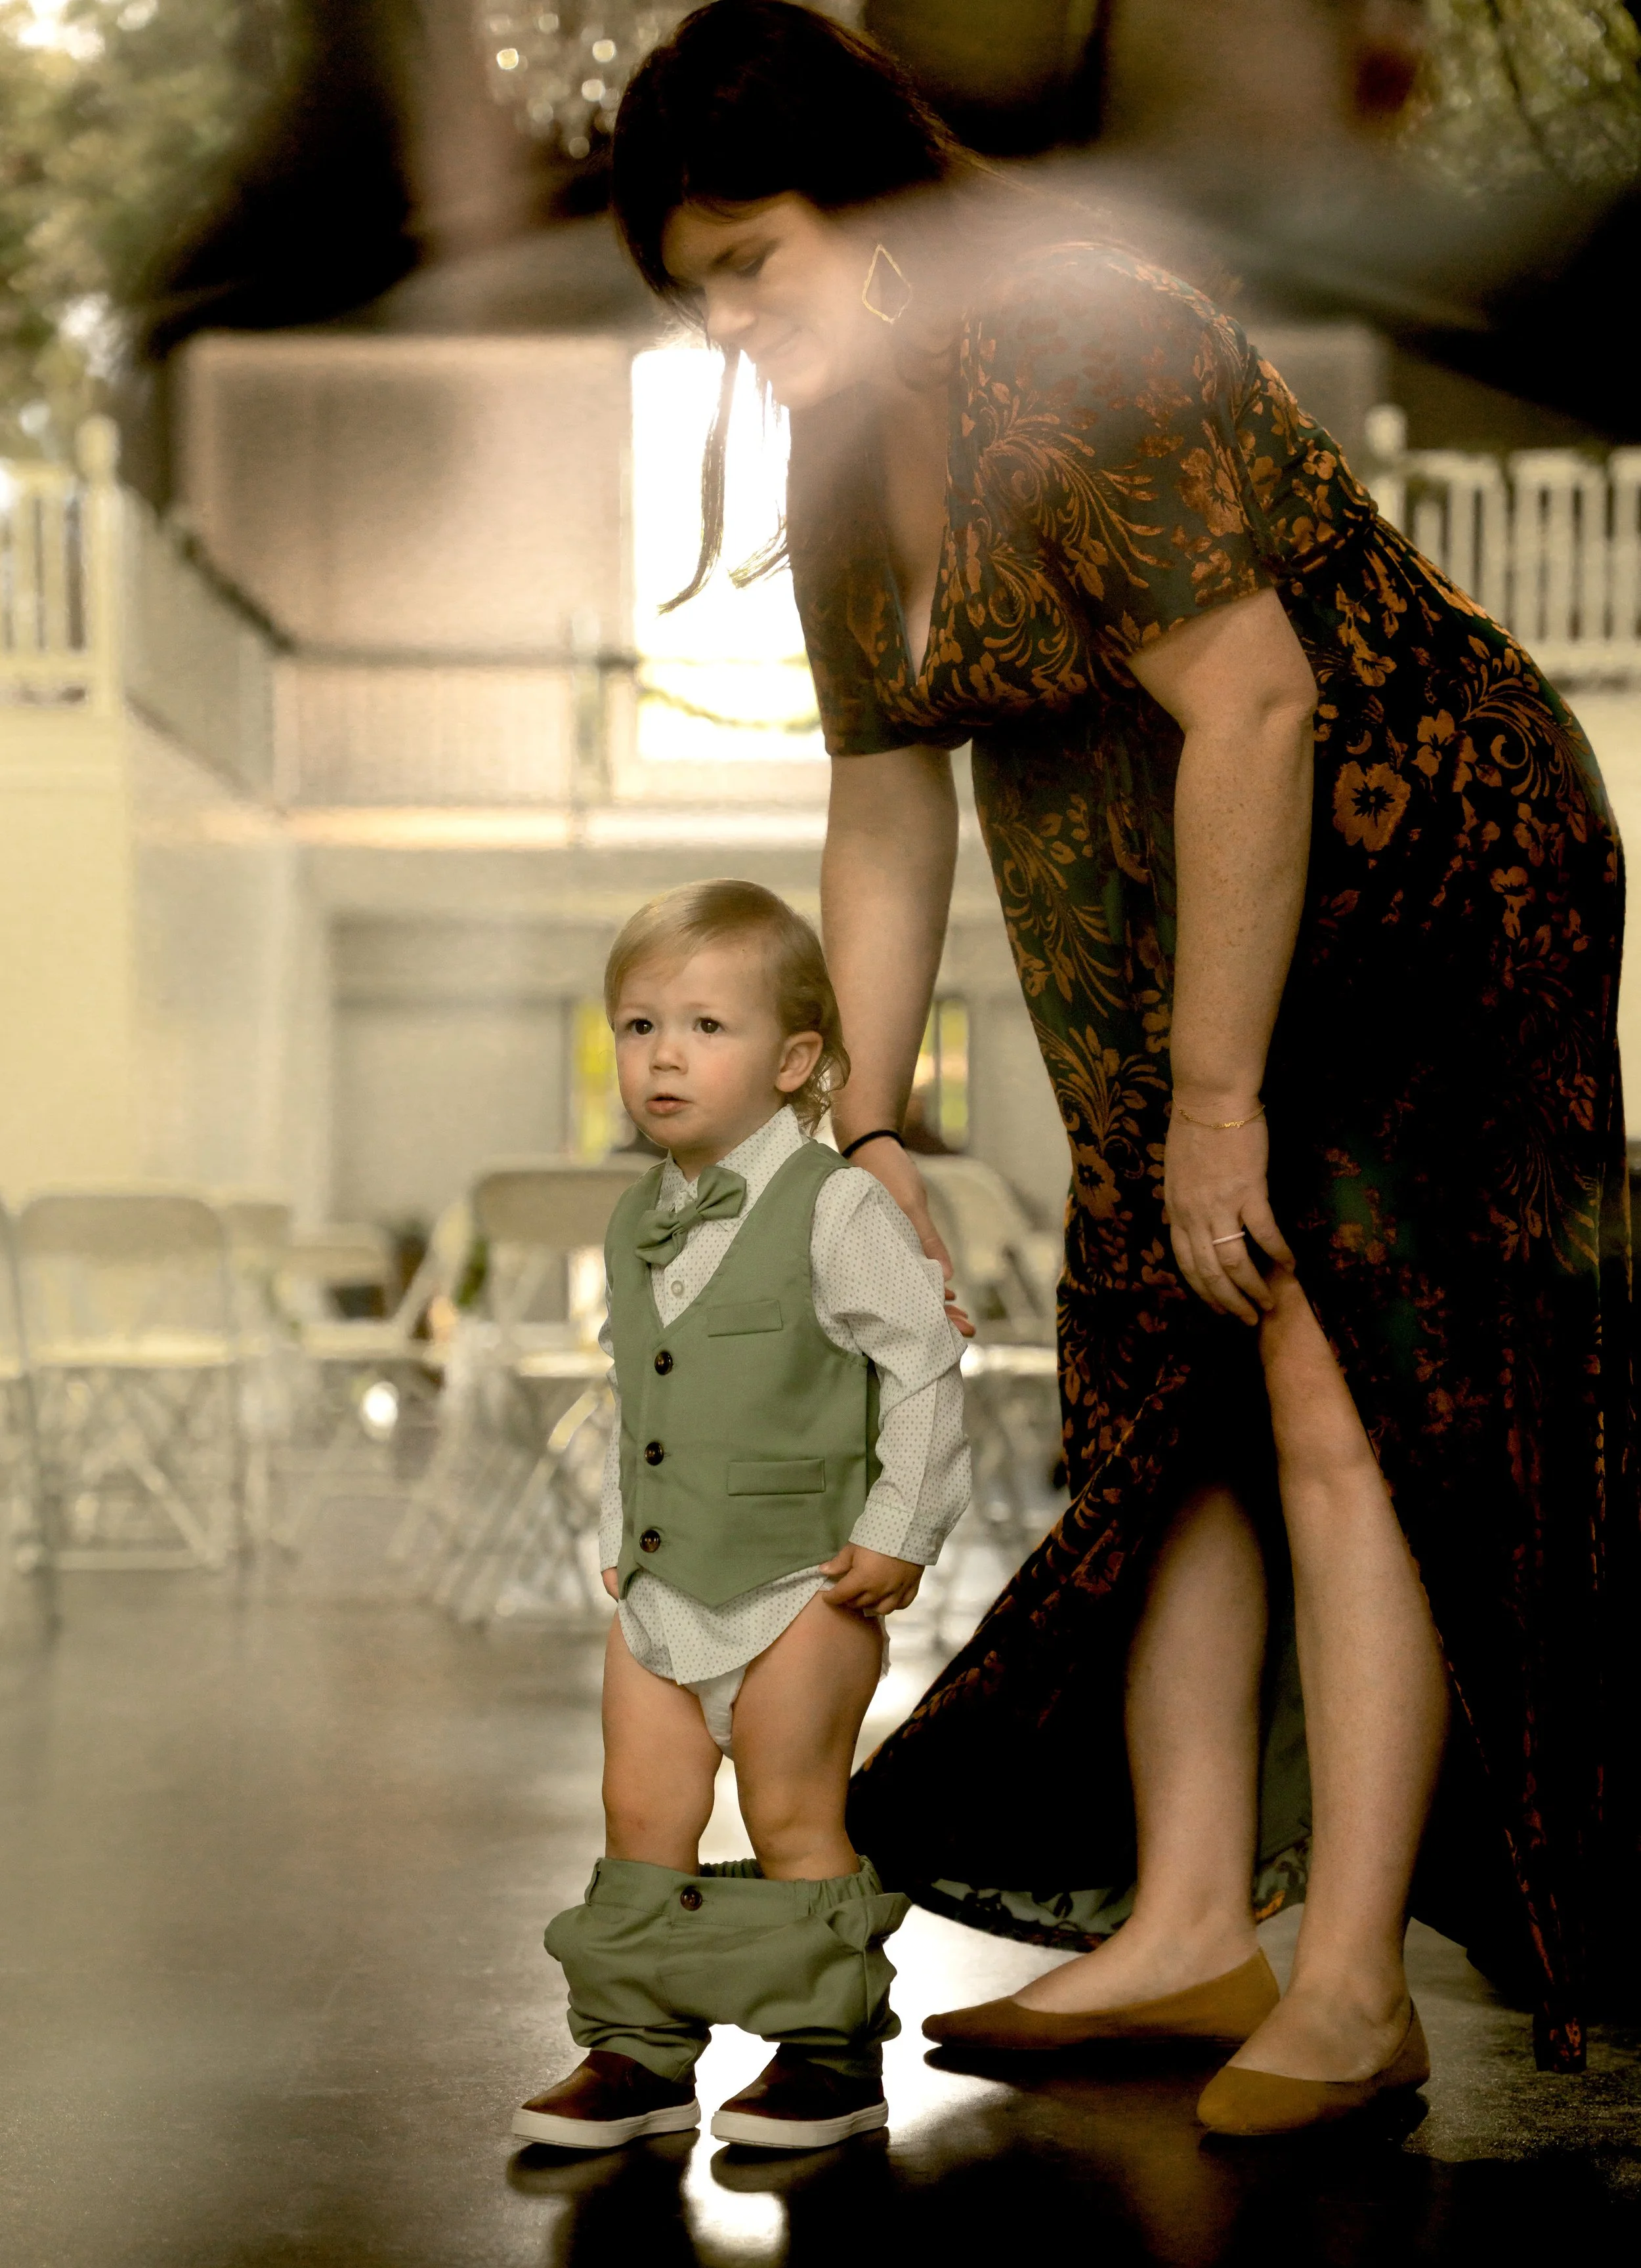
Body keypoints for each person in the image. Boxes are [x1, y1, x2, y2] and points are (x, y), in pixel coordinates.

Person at [609, 2, 1637, 2128]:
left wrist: (1225, 1103)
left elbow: (1256, 708)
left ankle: (1350, 1985)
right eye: (694, 292)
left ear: (872, 205)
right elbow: (884, 803)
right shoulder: (841, 443)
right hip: (1180, 930)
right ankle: (1188, 1932)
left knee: (1327, 1358)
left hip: (1422, 874)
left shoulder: (1073, 342)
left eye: (748, 269)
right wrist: (862, 1126)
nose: (729, 327)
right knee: (1152, 1389)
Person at [516, 880, 970, 2152]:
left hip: (801, 1583)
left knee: (790, 1817)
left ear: (793, 1061)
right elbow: (640, 1388)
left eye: (705, 1027)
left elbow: (924, 1365)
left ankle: (825, 2057)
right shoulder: (632, 1217)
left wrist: (897, 1532)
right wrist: (625, 1530)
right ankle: (638, 2052)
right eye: (638, 1024)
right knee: (640, 1820)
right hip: (664, 1587)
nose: (662, 1054)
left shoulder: (836, 1208)